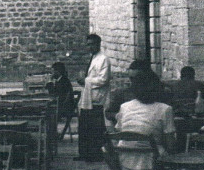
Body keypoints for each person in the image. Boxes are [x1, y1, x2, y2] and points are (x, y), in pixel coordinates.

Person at [115, 70, 177, 170]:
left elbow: (120, 133)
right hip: (152, 168)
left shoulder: (124, 107)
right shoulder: (165, 109)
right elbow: (171, 145)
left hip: (124, 168)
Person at [75, 33, 112, 161]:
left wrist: (86, 81)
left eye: (92, 44)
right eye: (88, 44)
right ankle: (84, 153)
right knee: (84, 126)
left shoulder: (103, 59)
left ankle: (95, 154)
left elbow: (103, 79)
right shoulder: (93, 58)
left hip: (96, 97)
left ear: (98, 44)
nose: (90, 47)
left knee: (95, 128)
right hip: (87, 96)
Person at [105, 59, 151, 124]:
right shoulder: (123, 93)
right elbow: (109, 113)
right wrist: (117, 116)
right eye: (131, 78)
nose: (134, 81)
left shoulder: (155, 92)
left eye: (137, 78)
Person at [46, 61, 75, 140]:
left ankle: (51, 134)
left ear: (57, 72)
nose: (51, 73)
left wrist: (49, 81)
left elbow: (54, 93)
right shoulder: (61, 80)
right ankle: (52, 133)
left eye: (53, 71)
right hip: (62, 105)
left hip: (65, 108)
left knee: (47, 113)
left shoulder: (63, 81)